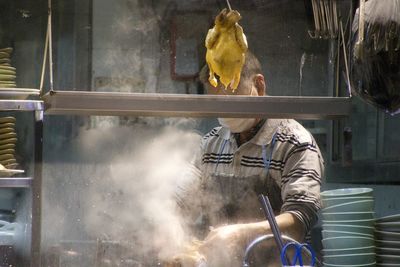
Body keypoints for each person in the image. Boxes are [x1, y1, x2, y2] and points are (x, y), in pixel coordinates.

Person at [175, 51, 324, 267]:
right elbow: (182, 204)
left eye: (230, 98)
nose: (224, 111)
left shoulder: (295, 143)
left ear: (259, 86)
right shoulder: (211, 144)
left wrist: (237, 233)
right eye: (216, 101)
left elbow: (298, 223)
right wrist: (166, 222)